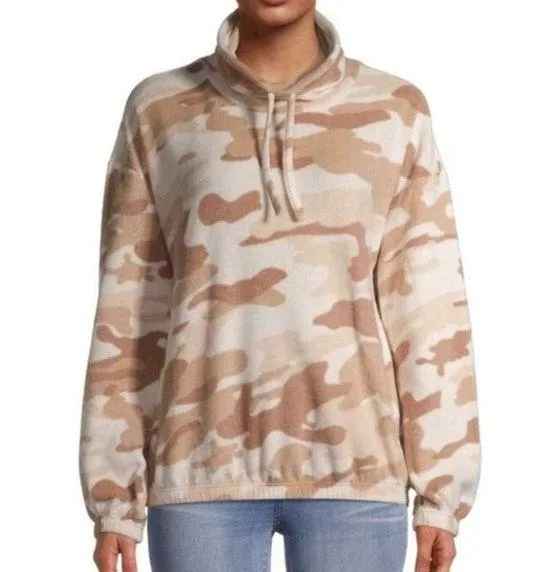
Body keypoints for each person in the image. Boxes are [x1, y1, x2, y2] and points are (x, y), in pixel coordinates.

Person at [78, 1, 482, 571]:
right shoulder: (160, 108)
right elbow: (130, 306)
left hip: (358, 476)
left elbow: (428, 303)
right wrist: (115, 498)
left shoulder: (395, 109)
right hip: (198, 477)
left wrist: (442, 491)